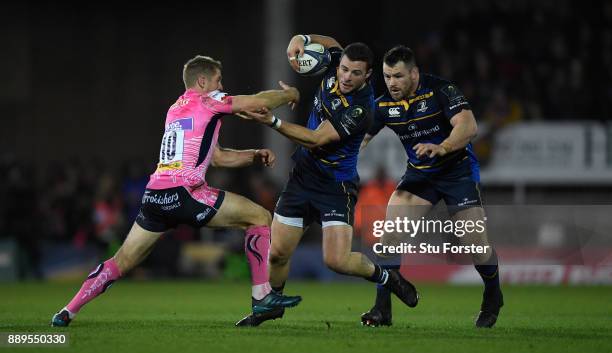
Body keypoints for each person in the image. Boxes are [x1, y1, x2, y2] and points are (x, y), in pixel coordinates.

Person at [51, 55, 303, 327]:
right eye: (218, 80)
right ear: (203, 81)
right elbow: (257, 102)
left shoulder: (175, 109)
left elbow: (216, 157)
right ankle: (262, 296)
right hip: (185, 193)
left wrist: (253, 156)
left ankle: (68, 311)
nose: (222, 85)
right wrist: (290, 93)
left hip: (156, 196)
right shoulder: (208, 100)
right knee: (258, 217)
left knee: (121, 260)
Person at [235, 35, 419, 327]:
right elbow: (331, 42)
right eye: (344, 69)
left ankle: (387, 277)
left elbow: (316, 138)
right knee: (278, 253)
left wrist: (272, 121)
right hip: (302, 178)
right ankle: (270, 306)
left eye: (355, 73)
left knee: (337, 261)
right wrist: (301, 39)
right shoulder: (337, 62)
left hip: (335, 187)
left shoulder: (361, 108)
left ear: (367, 75)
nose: (346, 77)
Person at [359, 45, 503, 328]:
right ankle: (381, 310)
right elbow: (359, 138)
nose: (392, 83)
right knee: (389, 236)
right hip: (420, 176)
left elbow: (468, 126)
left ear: (414, 73)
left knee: (476, 248)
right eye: (387, 77)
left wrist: (443, 146)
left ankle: (493, 295)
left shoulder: (441, 90)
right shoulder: (384, 104)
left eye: (398, 76)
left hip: (457, 173)